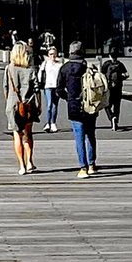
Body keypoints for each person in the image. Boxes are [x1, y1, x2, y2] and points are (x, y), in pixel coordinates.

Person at [56, 41, 99, 177]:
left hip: (74, 105)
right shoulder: (88, 67)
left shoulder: (64, 68)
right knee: (90, 135)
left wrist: (69, 98)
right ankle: (92, 164)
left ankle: (83, 167)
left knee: (79, 137)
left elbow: (59, 89)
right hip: (90, 104)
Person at [3, 42, 41, 174]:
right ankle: (29, 161)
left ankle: (21, 166)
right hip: (28, 105)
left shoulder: (9, 68)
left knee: (16, 135)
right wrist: (39, 104)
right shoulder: (30, 69)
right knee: (28, 134)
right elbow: (37, 88)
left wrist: (9, 101)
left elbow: (6, 88)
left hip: (13, 104)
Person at [100, 49, 129, 130]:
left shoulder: (106, 64)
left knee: (107, 105)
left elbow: (101, 75)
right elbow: (127, 74)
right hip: (118, 87)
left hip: (109, 88)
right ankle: (115, 120)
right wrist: (121, 78)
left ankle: (111, 117)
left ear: (109, 56)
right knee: (117, 105)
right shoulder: (120, 64)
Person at [38, 47, 63, 133]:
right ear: (48, 55)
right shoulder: (45, 63)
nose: (53, 56)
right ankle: (47, 123)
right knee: (49, 104)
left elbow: (62, 76)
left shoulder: (59, 64)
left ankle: (53, 123)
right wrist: (39, 83)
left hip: (57, 86)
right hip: (47, 86)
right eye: (51, 54)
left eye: (54, 54)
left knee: (55, 105)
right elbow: (40, 74)